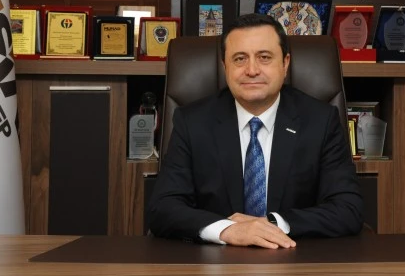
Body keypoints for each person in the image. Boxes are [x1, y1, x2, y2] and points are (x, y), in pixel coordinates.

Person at [147, 13, 363, 248]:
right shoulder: (192, 122)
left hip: (296, 259)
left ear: (285, 63)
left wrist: (272, 224)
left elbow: (348, 208)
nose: (251, 70)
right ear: (225, 66)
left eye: (264, 57)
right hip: (214, 262)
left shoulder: (320, 121)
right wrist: (227, 230)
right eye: (239, 59)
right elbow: (163, 208)